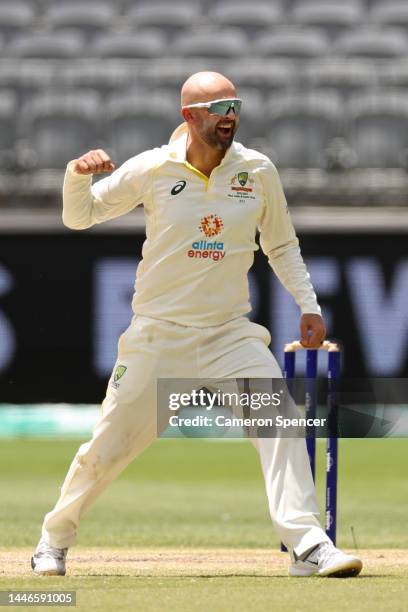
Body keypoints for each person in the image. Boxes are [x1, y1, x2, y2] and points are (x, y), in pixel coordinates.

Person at [31, 71, 362, 578]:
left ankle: (306, 544)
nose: (231, 114)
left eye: (236, 105)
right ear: (190, 116)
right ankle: (53, 539)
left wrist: (309, 304)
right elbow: (82, 217)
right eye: (220, 106)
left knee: (281, 421)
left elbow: (281, 244)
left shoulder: (256, 170)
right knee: (107, 449)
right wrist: (78, 175)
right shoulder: (154, 168)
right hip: (159, 335)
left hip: (230, 333)